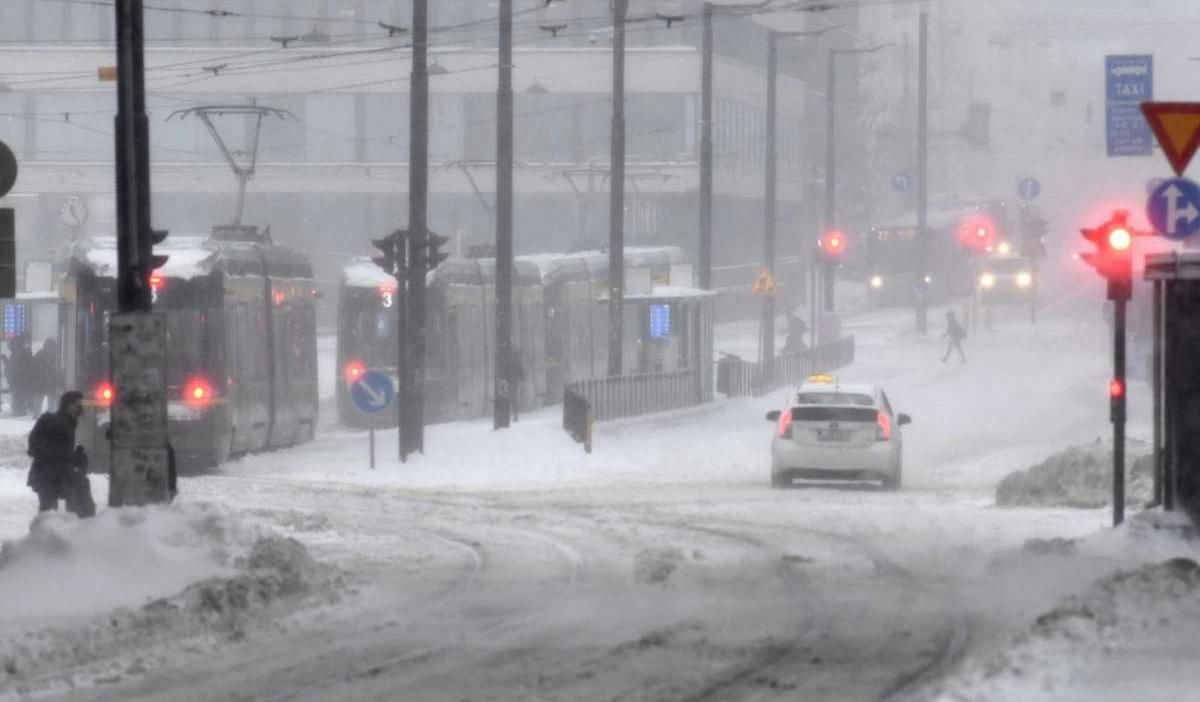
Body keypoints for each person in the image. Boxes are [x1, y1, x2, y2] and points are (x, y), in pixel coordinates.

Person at [26, 390, 95, 517]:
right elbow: (41, 449)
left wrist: (74, 457)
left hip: (51, 475)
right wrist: (73, 458)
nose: (81, 408)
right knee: (52, 514)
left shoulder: (67, 422)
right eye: (78, 404)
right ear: (68, 405)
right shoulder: (56, 422)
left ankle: (66, 531)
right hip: (49, 475)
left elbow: (57, 451)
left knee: (49, 514)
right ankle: (79, 530)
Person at [8, 336, 34, 416]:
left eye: (12, 344)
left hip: (20, 380)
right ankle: (19, 410)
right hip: (18, 380)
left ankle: (19, 411)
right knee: (18, 396)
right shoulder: (18, 353)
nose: (10, 346)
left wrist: (17, 372)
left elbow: (24, 367)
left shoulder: (21, 353)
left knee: (19, 396)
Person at [34, 337, 62, 414]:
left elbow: (35, 368)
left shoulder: (40, 354)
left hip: (44, 382)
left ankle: (37, 414)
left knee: (40, 400)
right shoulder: (55, 356)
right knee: (48, 400)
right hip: (46, 382)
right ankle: (43, 414)